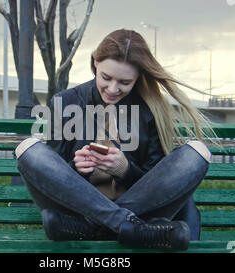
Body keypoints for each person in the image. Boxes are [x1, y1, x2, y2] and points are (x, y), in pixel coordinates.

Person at [15, 29, 216, 251]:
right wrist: (78, 168)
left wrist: (124, 169)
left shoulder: (151, 108)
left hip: (116, 214)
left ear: (138, 77)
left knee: (197, 152)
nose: (112, 89)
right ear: (95, 63)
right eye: (106, 77)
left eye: (124, 82)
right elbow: (54, 177)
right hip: (76, 210)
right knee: (28, 148)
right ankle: (126, 226)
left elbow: (156, 183)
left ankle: (94, 228)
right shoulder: (64, 102)